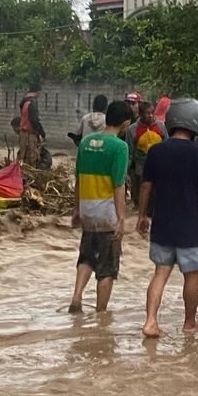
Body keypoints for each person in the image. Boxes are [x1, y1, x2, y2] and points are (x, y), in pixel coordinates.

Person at [136, 99, 198, 338]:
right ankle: (189, 323)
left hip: (162, 224)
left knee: (160, 273)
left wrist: (142, 215)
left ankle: (150, 321)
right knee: (192, 275)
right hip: (191, 227)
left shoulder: (156, 151)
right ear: (196, 123)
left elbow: (145, 187)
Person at [69, 102, 134, 314]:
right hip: (106, 213)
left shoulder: (86, 142)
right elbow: (118, 184)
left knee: (86, 256)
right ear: (125, 123)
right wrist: (121, 219)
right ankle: (100, 314)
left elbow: (78, 178)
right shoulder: (119, 147)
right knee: (107, 268)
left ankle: (77, 296)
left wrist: (77, 209)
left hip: (87, 209)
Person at [126, 100, 165, 209]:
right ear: (140, 114)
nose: (151, 115)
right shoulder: (132, 130)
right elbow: (130, 150)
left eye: (152, 112)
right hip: (140, 165)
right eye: (148, 113)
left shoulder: (161, 127)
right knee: (141, 190)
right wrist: (128, 170)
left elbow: (167, 144)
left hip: (159, 164)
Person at [17, 88, 46, 169]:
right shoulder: (32, 102)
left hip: (23, 133)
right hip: (30, 134)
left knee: (23, 156)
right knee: (32, 158)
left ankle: (21, 174)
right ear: (37, 92)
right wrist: (41, 133)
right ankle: (29, 176)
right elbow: (34, 120)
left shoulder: (24, 102)